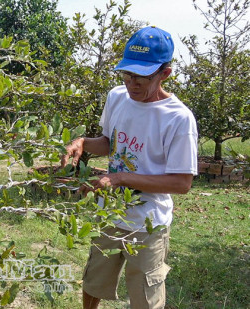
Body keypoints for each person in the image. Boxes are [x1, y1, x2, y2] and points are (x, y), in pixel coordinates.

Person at [61, 26, 198, 309]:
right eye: (127, 74)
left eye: (142, 76)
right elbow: (108, 143)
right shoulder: (117, 97)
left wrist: (121, 177)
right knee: (94, 282)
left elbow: (182, 183)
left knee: (145, 298)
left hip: (148, 224)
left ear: (165, 73)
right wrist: (83, 142)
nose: (132, 83)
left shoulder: (179, 119)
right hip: (110, 214)